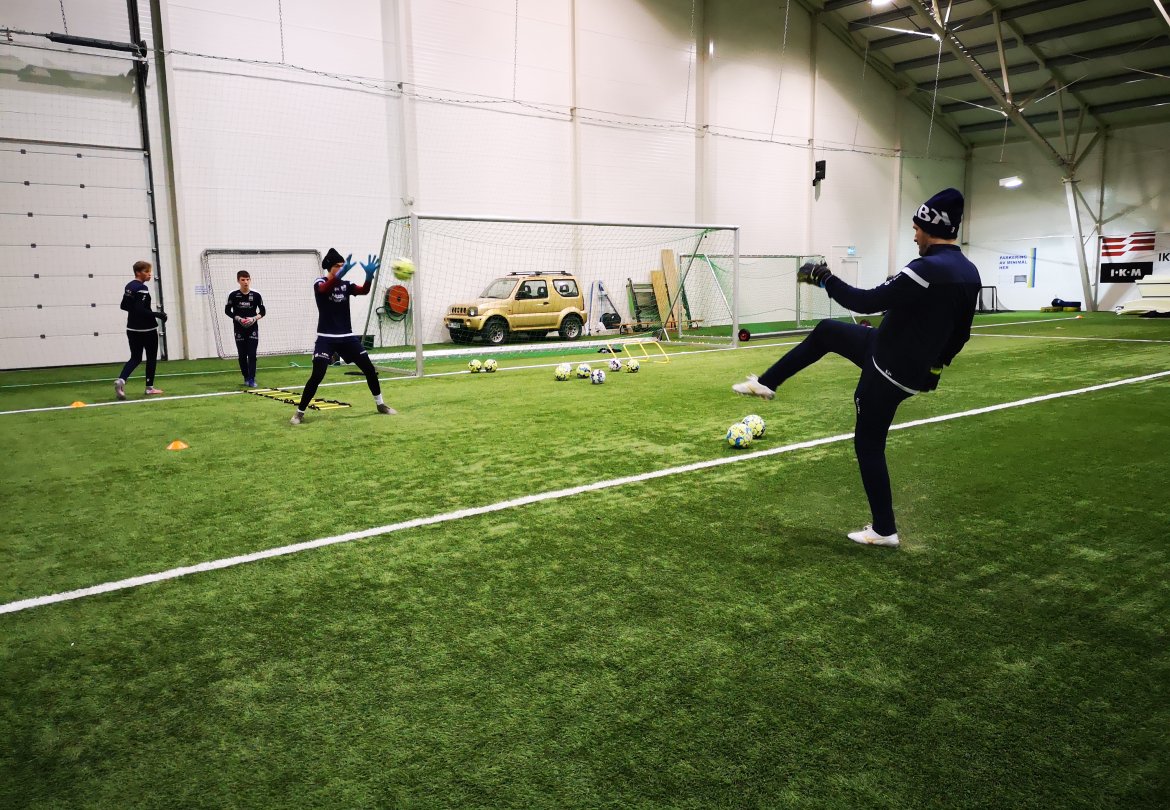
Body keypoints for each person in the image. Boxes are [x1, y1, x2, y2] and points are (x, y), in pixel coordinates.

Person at [732, 188, 981, 548]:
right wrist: (938, 365)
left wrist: (825, 278)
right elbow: (961, 334)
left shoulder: (926, 269)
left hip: (888, 368)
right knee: (827, 331)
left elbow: (866, 302)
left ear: (932, 227)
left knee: (868, 444)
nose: (914, 235)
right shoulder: (969, 272)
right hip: (891, 352)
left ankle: (884, 530)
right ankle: (767, 383)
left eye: (916, 228)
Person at [290, 248, 396, 425]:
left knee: (369, 370)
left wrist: (369, 277)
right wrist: (338, 276)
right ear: (329, 267)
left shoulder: (346, 285)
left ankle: (380, 404)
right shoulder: (320, 282)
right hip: (325, 338)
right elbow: (323, 290)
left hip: (347, 337)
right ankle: (299, 412)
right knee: (317, 375)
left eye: (342, 266)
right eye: (338, 266)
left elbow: (364, 290)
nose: (341, 268)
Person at [114, 259, 168, 400]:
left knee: (135, 357)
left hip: (132, 328)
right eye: (146, 271)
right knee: (151, 358)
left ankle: (121, 380)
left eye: (150, 271)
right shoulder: (142, 288)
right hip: (147, 329)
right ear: (138, 273)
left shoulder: (129, 286)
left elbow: (124, 306)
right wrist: (157, 314)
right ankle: (149, 388)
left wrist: (137, 311)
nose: (149, 274)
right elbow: (140, 309)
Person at [224, 270, 266, 388]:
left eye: (247, 279)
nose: (245, 282)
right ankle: (246, 377)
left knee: (252, 354)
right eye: (243, 280)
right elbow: (227, 310)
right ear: (238, 281)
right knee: (242, 355)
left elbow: (263, 311)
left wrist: (254, 318)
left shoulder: (256, 295)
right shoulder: (233, 295)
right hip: (239, 328)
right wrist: (238, 318)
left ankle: (252, 379)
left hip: (252, 328)